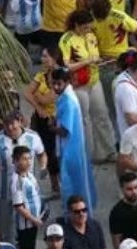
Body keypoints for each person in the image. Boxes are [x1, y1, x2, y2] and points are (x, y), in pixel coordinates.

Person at [49, 66, 98, 212]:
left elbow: (64, 131)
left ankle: (72, 214)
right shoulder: (67, 96)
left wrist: (51, 127)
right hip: (75, 147)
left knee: (71, 183)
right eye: (54, 83)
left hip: (70, 149)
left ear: (66, 82)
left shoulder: (68, 101)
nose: (56, 87)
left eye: (59, 84)